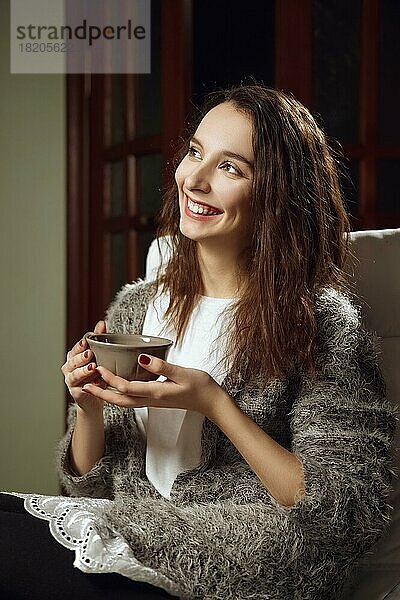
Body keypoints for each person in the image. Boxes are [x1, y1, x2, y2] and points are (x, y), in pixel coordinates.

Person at [0, 84, 397, 600]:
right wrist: (89, 408)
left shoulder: (320, 323)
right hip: (132, 534)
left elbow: (343, 511)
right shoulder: (137, 309)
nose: (194, 179)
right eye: (194, 152)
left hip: (239, 564)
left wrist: (212, 401)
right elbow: (87, 490)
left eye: (231, 167)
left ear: (276, 193)